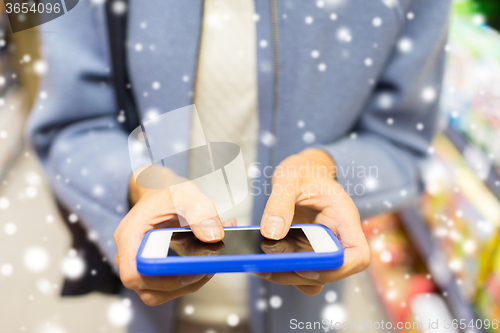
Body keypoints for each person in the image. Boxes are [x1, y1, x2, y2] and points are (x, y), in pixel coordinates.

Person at [27, 0, 451, 332]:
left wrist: (326, 168)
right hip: (155, 317)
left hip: (307, 314)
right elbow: (72, 126)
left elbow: (401, 141)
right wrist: (141, 183)